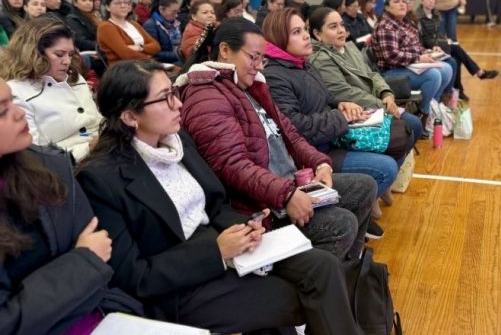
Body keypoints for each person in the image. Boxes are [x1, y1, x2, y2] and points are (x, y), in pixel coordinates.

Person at [78, 60, 360, 334]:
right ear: (130, 116)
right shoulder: (102, 179)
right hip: (181, 283)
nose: (178, 104)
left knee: (323, 267)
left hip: (224, 246)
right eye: (165, 98)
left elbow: (214, 206)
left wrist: (247, 225)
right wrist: (216, 253)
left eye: (174, 93)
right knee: (302, 297)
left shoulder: (177, 141)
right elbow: (134, 276)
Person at [178, 19, 376, 258]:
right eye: (253, 58)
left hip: (285, 184)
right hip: (259, 203)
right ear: (225, 50)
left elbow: (290, 134)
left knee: (365, 187)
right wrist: (287, 195)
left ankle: (349, 265)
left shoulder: (250, 86)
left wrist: (320, 164)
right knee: (342, 224)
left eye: (262, 59)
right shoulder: (206, 95)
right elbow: (231, 165)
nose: (259, 67)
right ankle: (320, 274)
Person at [0, 78, 144, 334]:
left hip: (101, 314)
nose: (19, 112)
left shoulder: (50, 168)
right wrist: (83, 262)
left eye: (13, 101)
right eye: (2, 111)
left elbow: (101, 264)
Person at [262, 8, 393, 234]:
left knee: (395, 136)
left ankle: (361, 211)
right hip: (313, 153)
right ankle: (354, 211)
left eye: (304, 29)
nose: (306, 36)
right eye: (296, 32)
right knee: (385, 169)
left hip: (329, 139)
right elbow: (295, 127)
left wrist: (340, 103)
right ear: (279, 38)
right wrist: (340, 117)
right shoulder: (275, 76)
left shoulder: (302, 63)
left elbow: (323, 96)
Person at [308, 5, 422, 150]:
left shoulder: (349, 47)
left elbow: (371, 74)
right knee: (410, 127)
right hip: (358, 112)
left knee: (413, 126)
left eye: (342, 25)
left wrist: (386, 93)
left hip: (375, 103)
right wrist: (383, 106)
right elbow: (343, 92)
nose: (341, 30)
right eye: (333, 27)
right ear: (317, 34)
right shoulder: (320, 59)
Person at [0, 19, 101, 163]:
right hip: (66, 166)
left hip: (99, 152)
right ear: (34, 54)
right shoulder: (16, 92)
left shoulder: (74, 77)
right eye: (59, 54)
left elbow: (96, 122)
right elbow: (34, 155)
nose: (67, 61)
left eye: (70, 54)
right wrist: (88, 148)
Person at [373, 0, 453, 129]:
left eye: (403, 1)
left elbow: (414, 47)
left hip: (406, 66)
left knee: (446, 69)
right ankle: (423, 114)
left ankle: (432, 105)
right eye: (397, 1)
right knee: (433, 75)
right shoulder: (386, 26)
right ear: (387, 8)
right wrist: (418, 58)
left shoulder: (404, 23)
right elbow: (391, 56)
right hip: (391, 72)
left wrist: (428, 52)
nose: (402, 4)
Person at [417, 0, 499, 101]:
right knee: (456, 49)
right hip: (430, 48)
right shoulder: (418, 17)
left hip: (439, 44)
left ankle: (459, 90)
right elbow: (424, 39)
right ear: (421, 1)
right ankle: (478, 72)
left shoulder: (436, 14)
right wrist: (442, 42)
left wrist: (445, 39)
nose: (431, 1)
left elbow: (439, 33)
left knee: (457, 58)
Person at [97, 0, 160, 65]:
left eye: (126, 2)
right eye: (118, 3)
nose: (123, 6)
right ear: (108, 7)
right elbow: (126, 54)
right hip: (123, 67)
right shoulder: (106, 27)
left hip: (142, 64)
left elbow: (156, 46)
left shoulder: (134, 24)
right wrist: (149, 60)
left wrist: (139, 47)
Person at [143, 0, 182, 65]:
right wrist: (178, 54)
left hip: (178, 58)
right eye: (173, 12)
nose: (176, 15)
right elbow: (154, 53)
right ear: (161, 10)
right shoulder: (151, 25)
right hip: (164, 63)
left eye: (177, 12)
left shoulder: (175, 23)